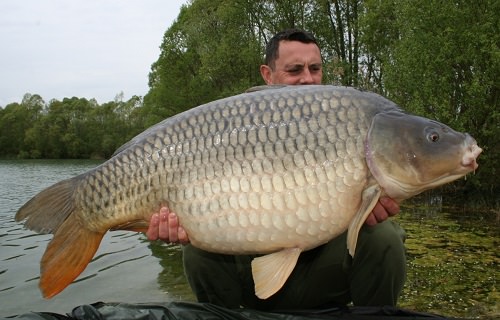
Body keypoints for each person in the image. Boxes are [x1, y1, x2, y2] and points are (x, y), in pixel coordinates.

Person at [146, 29, 406, 310]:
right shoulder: (235, 127)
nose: (308, 78)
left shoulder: (343, 126)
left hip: (323, 272)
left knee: (384, 238)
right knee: (197, 253)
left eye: (315, 68)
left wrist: (369, 205)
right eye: (295, 70)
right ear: (267, 75)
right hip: (248, 270)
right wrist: (173, 222)